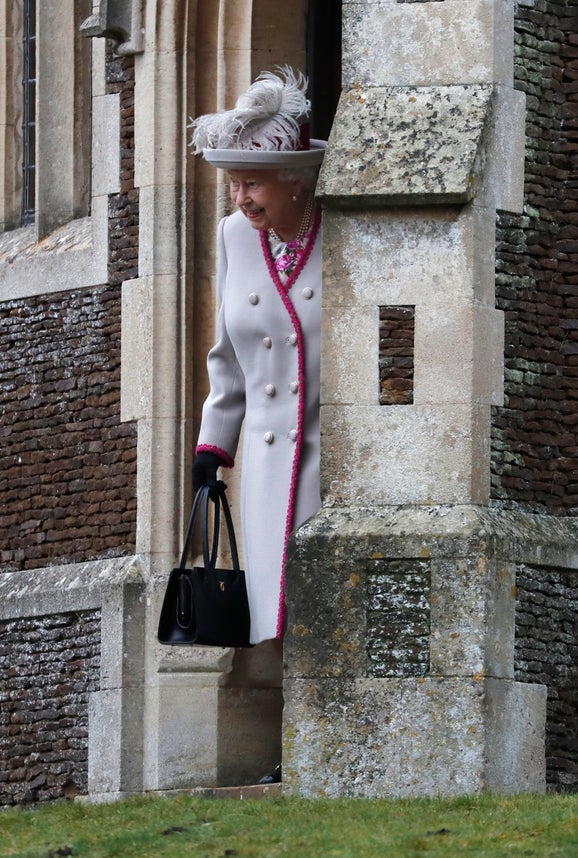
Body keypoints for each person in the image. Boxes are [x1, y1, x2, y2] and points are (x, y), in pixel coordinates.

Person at [187, 67, 325, 664]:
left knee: (325, 601)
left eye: (254, 185)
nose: (241, 199)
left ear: (295, 181)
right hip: (269, 459)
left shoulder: (343, 231)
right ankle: (287, 747)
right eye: (235, 185)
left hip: (331, 455)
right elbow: (228, 353)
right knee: (272, 610)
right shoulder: (234, 237)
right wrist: (212, 449)